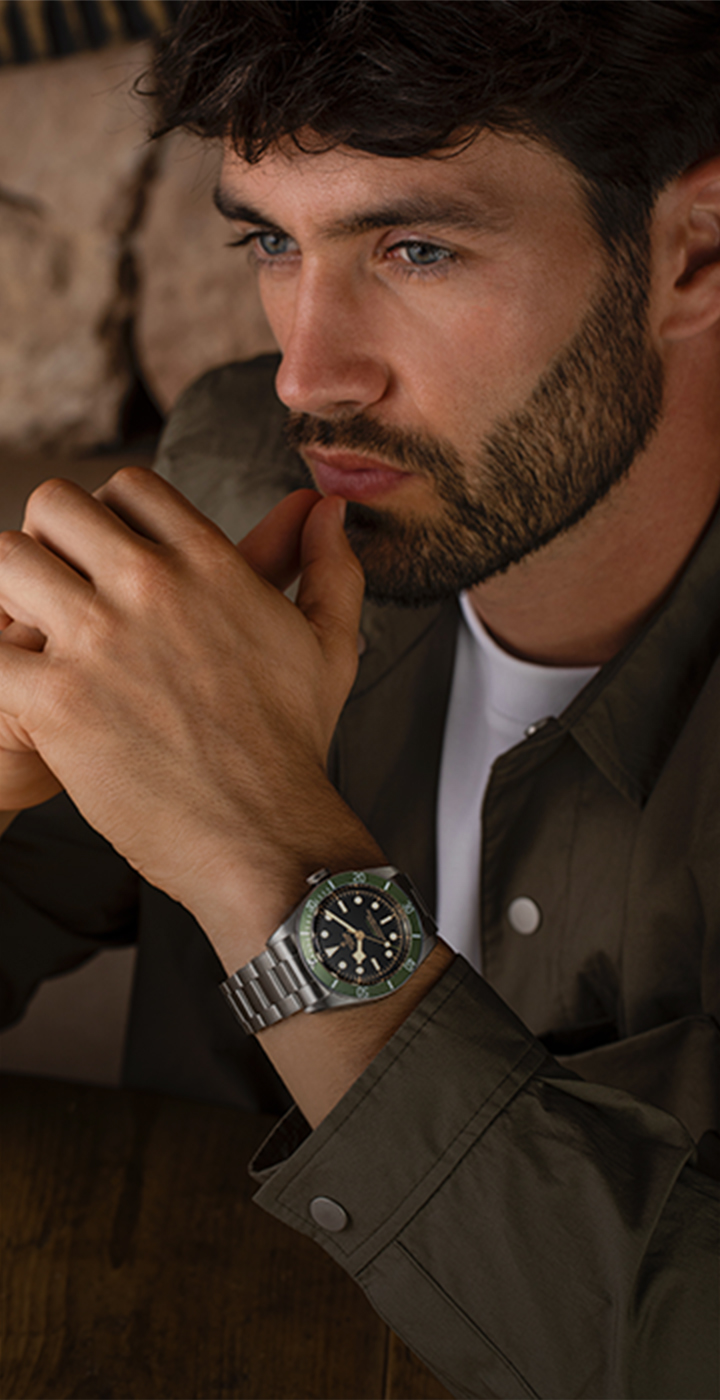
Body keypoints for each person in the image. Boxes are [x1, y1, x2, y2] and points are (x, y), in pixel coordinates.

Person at [1, 2, 719, 1394]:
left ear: (692, 248)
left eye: (417, 247)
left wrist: (269, 864)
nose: (307, 374)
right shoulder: (238, 477)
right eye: (273, 240)